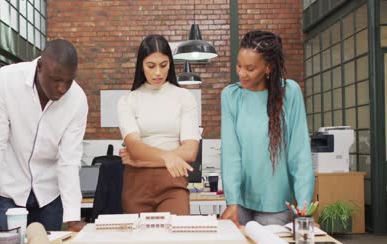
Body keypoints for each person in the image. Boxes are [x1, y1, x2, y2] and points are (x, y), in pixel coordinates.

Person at [0, 39, 88, 232]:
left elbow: (69, 160)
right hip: (9, 192)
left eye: (68, 81)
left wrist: (72, 217)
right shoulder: (6, 81)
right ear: (39, 66)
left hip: (49, 196)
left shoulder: (77, 100)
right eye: (56, 79)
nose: (62, 88)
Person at [220, 30, 314, 226]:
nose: (241, 73)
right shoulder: (231, 96)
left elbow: (299, 153)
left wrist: (303, 209)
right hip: (240, 204)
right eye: (239, 66)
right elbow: (231, 154)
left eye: (250, 68)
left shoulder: (289, 93)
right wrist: (232, 201)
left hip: (276, 205)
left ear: (268, 68)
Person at [117, 34, 201, 215]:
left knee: (176, 239)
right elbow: (134, 146)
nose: (158, 73)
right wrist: (168, 157)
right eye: (151, 66)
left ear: (170, 63)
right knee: (139, 242)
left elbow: (191, 152)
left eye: (163, 65)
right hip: (136, 185)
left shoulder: (184, 97)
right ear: (141, 65)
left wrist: (142, 161)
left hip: (173, 183)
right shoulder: (128, 101)